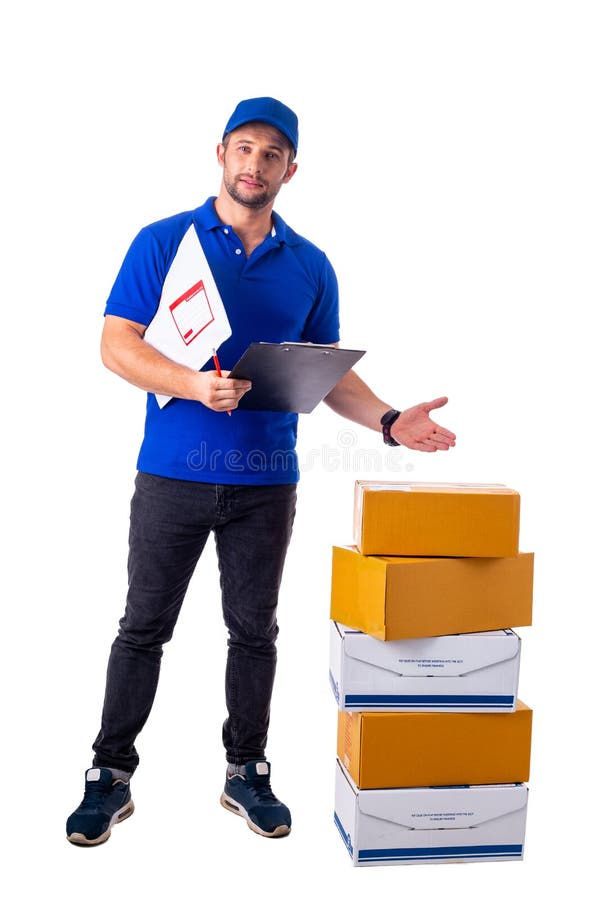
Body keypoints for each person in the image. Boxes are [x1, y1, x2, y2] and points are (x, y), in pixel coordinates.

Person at [66, 97, 456, 846]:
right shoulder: (163, 241)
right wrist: (189, 384)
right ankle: (108, 774)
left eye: (272, 155)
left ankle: (246, 771)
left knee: (255, 632)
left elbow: (327, 373)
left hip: (266, 482)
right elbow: (116, 344)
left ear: (291, 170)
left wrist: (387, 420)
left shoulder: (311, 266)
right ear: (221, 154)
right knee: (143, 627)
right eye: (244, 149)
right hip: (172, 475)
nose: (255, 164)